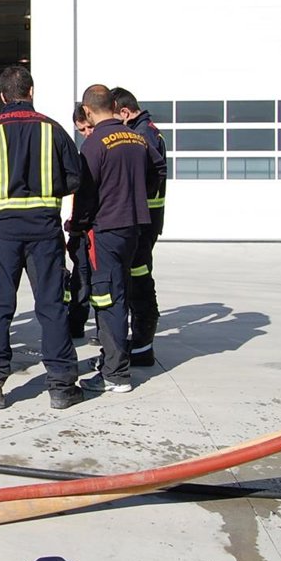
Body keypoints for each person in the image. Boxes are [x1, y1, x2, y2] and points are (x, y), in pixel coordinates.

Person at [0, 65, 84, 410]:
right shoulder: (53, 129)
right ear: (31, 92)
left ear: (3, 96)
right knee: (52, 306)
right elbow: (74, 179)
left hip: (2, 232)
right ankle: (62, 386)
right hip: (45, 230)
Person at [71, 84, 165, 394]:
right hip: (134, 228)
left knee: (107, 298)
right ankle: (119, 358)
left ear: (87, 111)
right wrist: (135, 194)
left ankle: (115, 373)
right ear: (113, 105)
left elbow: (85, 195)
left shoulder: (94, 144)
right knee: (122, 291)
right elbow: (158, 170)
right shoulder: (137, 137)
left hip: (106, 231)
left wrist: (77, 227)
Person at [110, 86, 168, 368]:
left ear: (124, 112)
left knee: (140, 281)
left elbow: (150, 176)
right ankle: (140, 341)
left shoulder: (142, 135)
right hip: (145, 220)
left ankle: (143, 347)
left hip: (142, 223)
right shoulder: (147, 131)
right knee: (136, 279)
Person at [66, 106, 95, 344]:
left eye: (89, 127)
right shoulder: (85, 151)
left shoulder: (95, 149)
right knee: (81, 275)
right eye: (81, 130)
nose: (86, 133)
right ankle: (76, 324)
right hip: (83, 227)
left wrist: (77, 225)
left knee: (91, 278)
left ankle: (101, 328)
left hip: (95, 227)